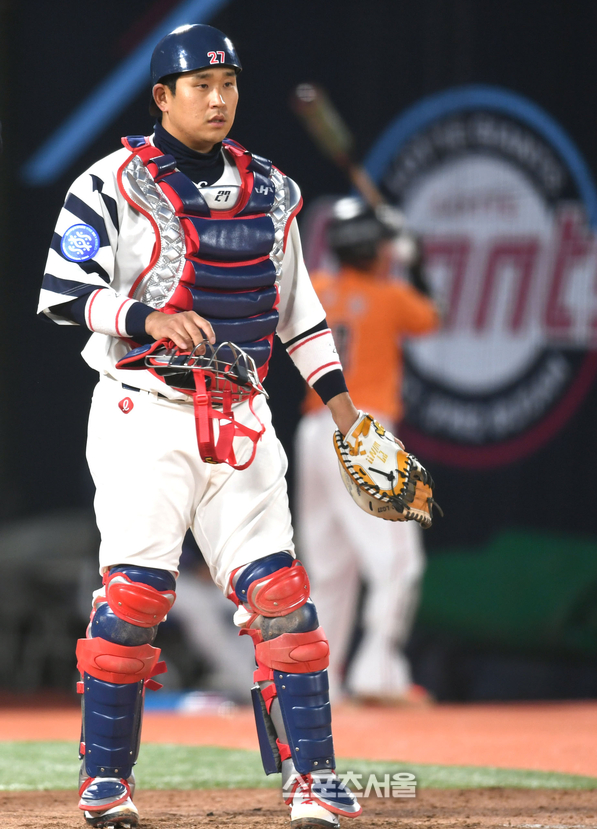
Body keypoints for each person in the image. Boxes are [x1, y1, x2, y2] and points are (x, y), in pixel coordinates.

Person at [38, 23, 366, 829]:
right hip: (142, 413)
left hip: (241, 414)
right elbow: (62, 290)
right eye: (201, 86)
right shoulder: (109, 183)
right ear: (163, 96)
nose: (219, 99)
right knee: (135, 598)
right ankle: (106, 780)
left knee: (282, 598)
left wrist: (345, 411)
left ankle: (313, 780)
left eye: (229, 84)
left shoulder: (274, 191)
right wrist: (146, 316)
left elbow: (300, 315)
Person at [295, 197, 440, 704]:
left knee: (329, 570)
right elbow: (433, 317)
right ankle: (379, 675)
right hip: (364, 433)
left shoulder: (317, 288)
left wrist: (388, 245)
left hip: (315, 431)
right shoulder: (391, 295)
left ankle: (318, 684)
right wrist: (416, 263)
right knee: (399, 561)